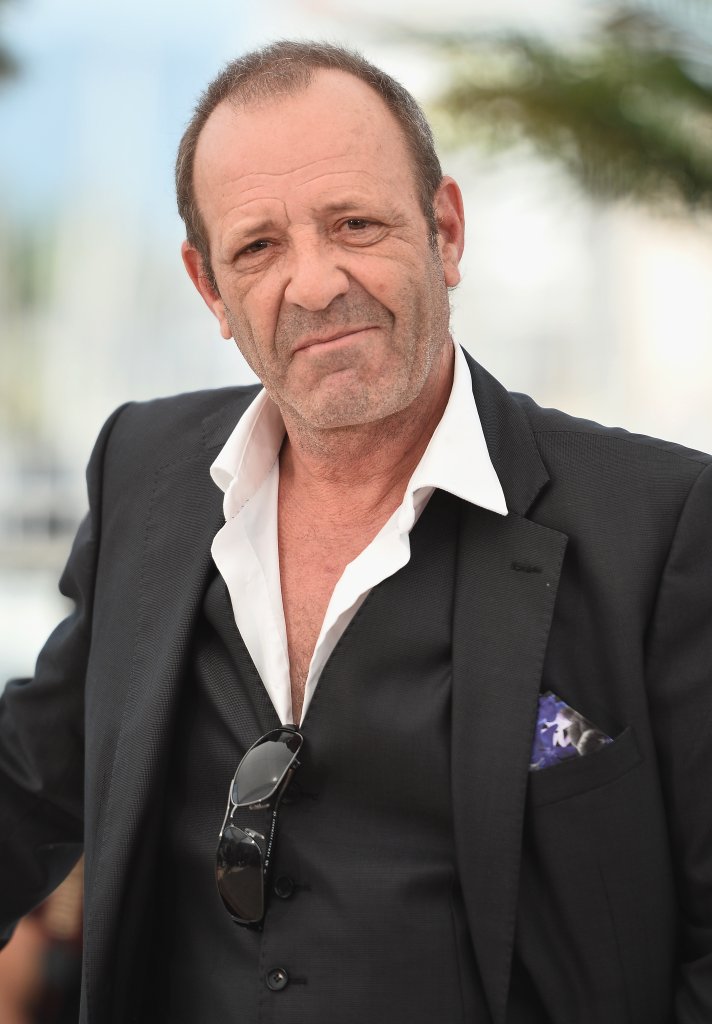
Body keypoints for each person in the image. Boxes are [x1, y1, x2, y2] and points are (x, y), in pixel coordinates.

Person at [1, 39, 711, 1024]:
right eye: (258, 248)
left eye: (355, 223)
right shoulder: (143, 470)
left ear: (444, 231)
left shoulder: (664, 523)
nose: (314, 282)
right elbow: (29, 781)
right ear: (209, 288)